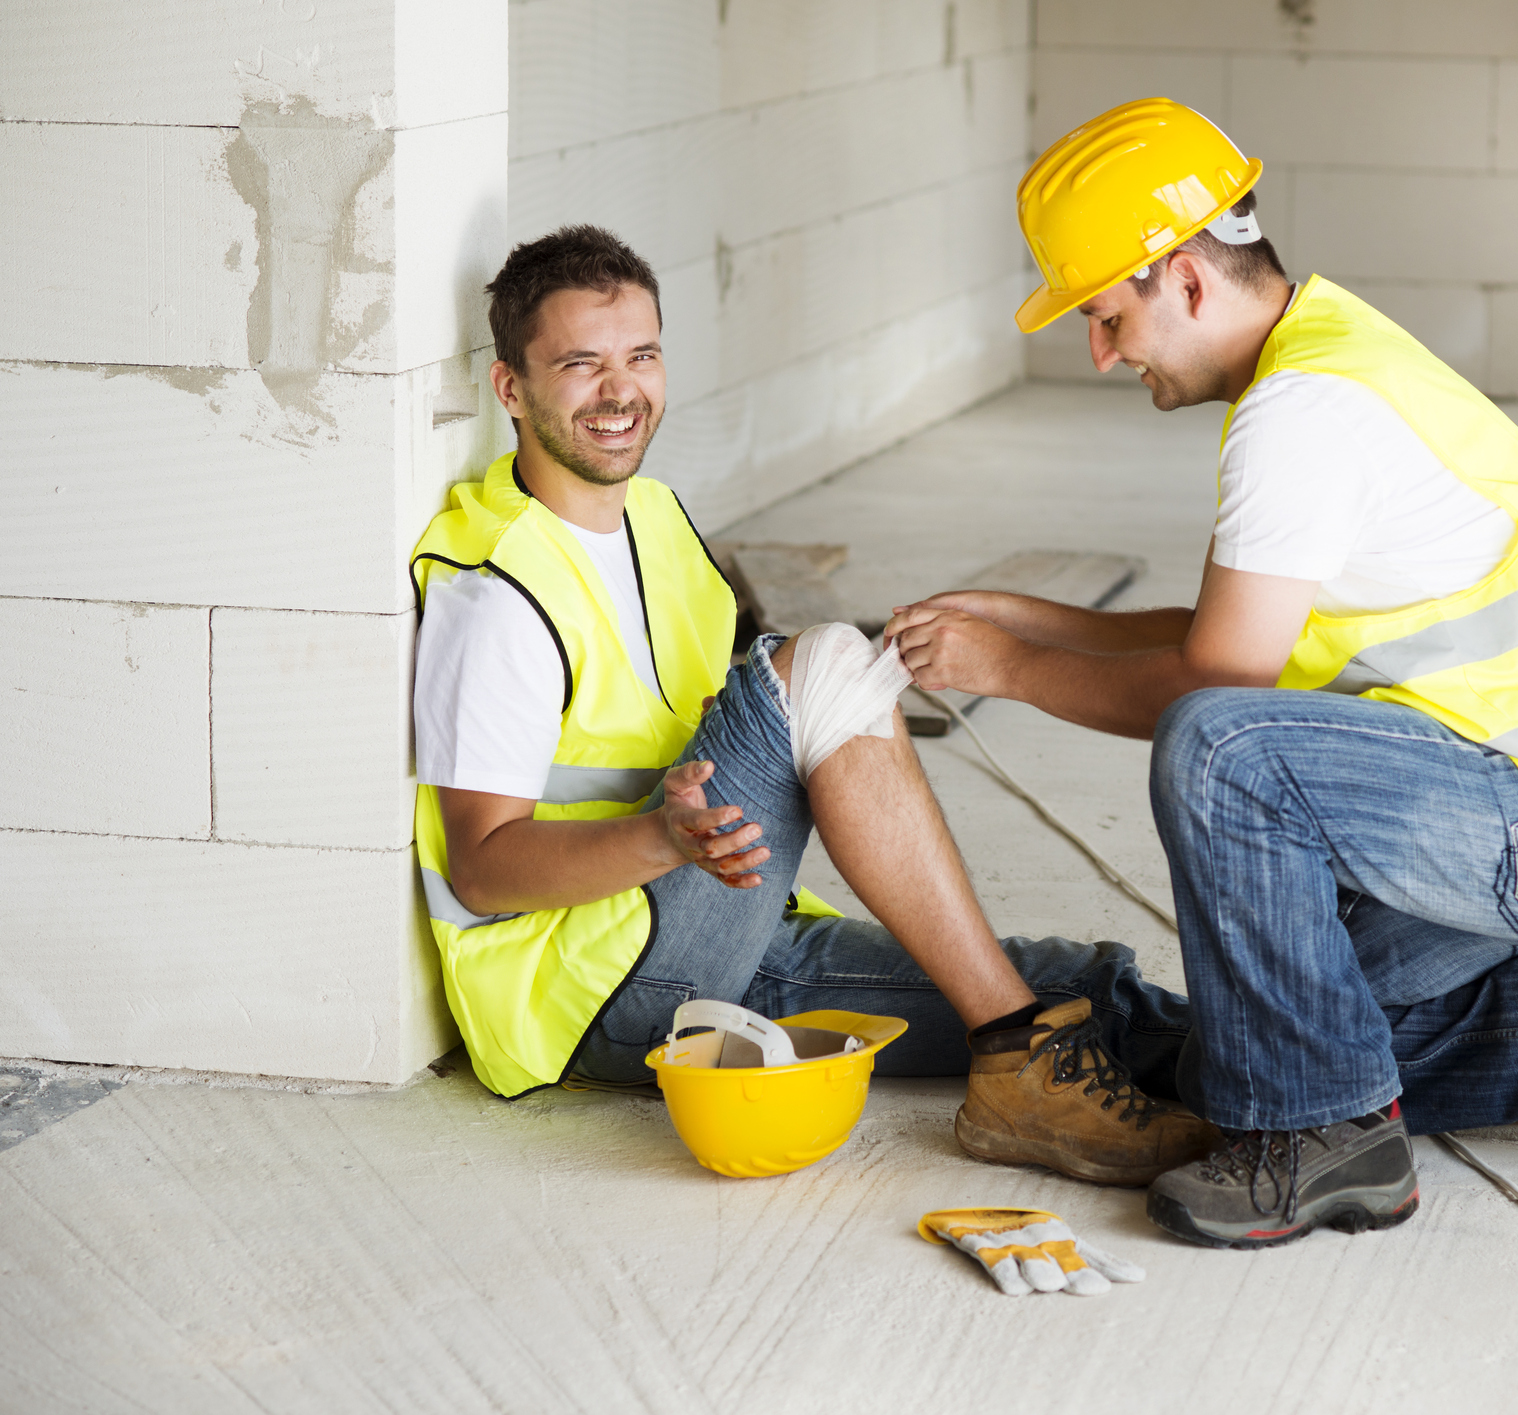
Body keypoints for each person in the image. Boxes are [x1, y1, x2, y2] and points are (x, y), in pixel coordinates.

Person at [887, 100, 1518, 1249]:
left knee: (1217, 752)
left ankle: (1326, 1137)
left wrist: (1011, 667)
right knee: (1239, 1047)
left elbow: (1216, 689)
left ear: (1179, 276)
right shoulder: (1325, 353)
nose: (1102, 350)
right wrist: (1030, 617)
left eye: (1108, 315)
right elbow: (1242, 636)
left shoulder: (1299, 412)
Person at [409, 224, 1216, 1188]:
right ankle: (1021, 1061)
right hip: (593, 992)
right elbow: (484, 870)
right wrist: (664, 841)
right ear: (511, 388)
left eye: (642, 356)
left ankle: (1328, 1076)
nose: (620, 391)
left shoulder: (658, 521)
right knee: (825, 659)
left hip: (718, 935)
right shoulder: (497, 594)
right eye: (580, 365)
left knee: (1080, 991)